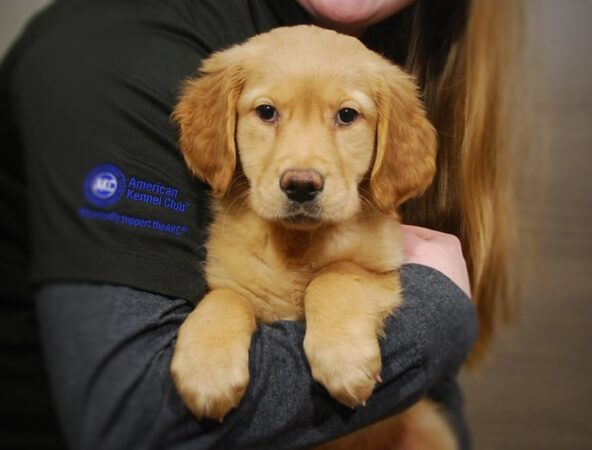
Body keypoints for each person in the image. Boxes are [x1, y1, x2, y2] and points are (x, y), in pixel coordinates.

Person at [0, 0, 520, 448]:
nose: (303, 170)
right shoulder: (124, 52)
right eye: (267, 112)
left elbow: (428, 396)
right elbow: (129, 423)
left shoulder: (386, 57)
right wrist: (440, 312)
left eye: (346, 117)